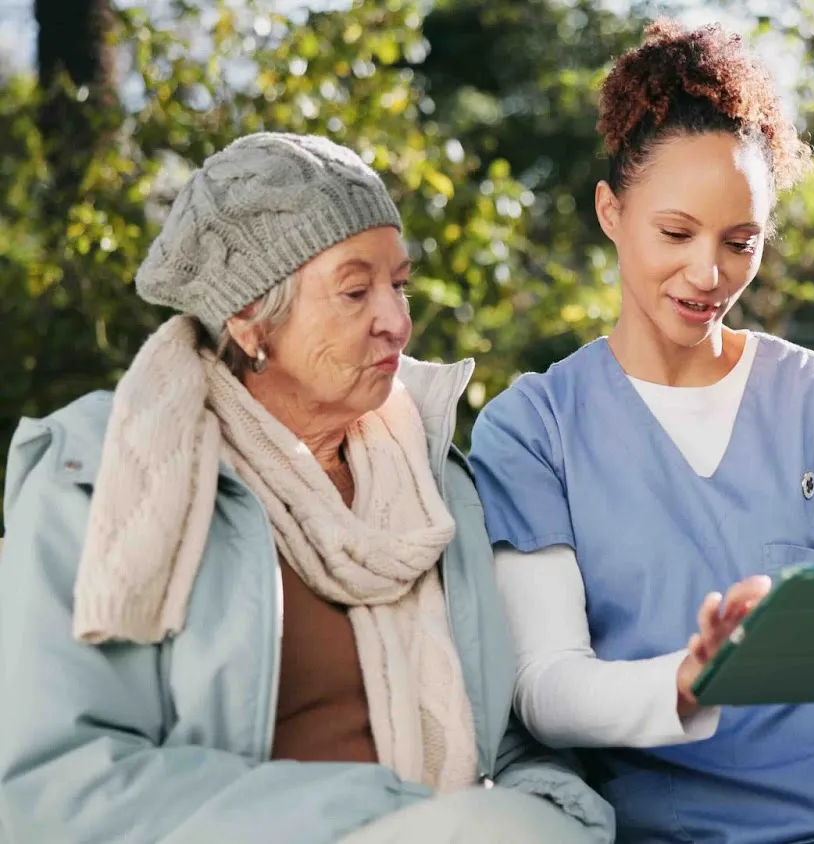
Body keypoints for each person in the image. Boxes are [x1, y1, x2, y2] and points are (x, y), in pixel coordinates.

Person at [468, 22, 814, 844]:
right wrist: (690, 680)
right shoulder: (532, 429)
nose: (710, 275)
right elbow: (546, 687)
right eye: (676, 233)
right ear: (610, 212)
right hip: (676, 825)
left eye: (742, 243)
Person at [0, 133, 613, 844]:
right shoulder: (103, 474)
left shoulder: (438, 486)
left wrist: (553, 814)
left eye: (400, 285)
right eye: (356, 291)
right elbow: (58, 785)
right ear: (250, 320)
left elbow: (505, 743)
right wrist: (398, 818)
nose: (398, 321)